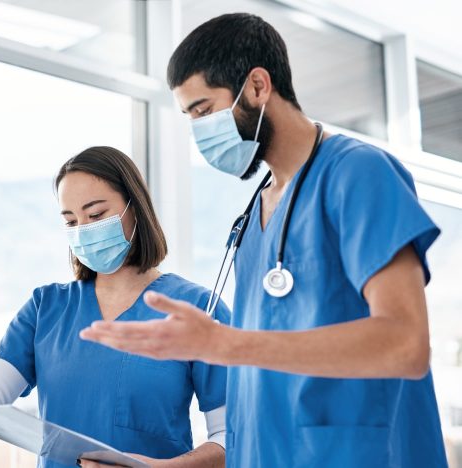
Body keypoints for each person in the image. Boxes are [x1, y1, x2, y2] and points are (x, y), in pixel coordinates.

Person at [80, 13, 449, 468]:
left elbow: (405, 344)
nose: (199, 131)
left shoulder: (358, 174)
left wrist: (222, 343)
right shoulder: (253, 216)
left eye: (203, 110)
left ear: (257, 86)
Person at [0, 146, 230, 468]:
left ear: (135, 209)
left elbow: (232, 436)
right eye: (71, 221)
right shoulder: (46, 308)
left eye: (95, 215)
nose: (84, 230)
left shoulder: (197, 308)